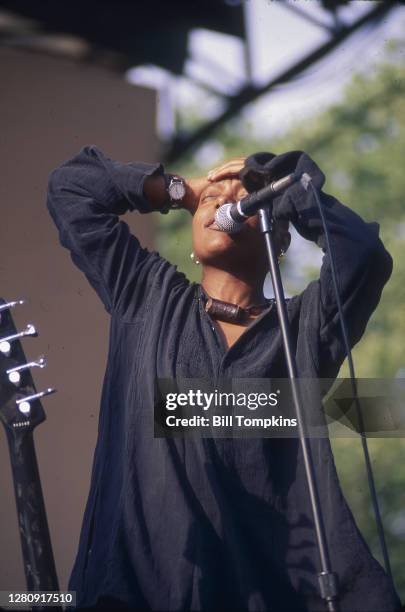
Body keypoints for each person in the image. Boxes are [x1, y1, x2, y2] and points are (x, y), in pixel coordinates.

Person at [46, 145, 401, 612]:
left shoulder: (306, 329)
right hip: (142, 594)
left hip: (277, 594)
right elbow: (71, 188)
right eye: (211, 199)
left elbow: (363, 255)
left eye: (245, 200)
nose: (223, 201)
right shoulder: (147, 296)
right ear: (192, 240)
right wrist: (180, 190)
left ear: (280, 241)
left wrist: (283, 186)